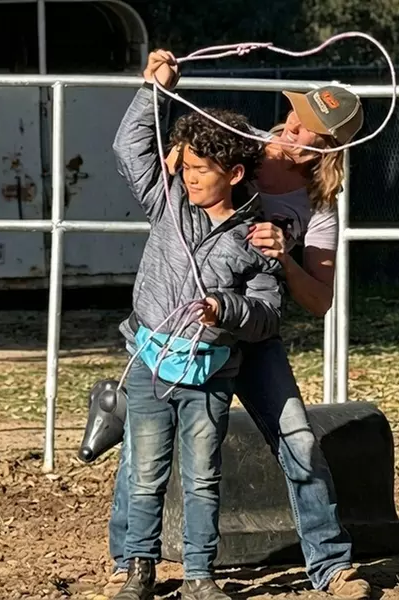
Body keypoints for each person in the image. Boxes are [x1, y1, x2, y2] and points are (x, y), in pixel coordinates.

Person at [105, 64, 373, 600]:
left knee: (296, 435)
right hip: (182, 326)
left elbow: (319, 299)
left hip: (248, 328)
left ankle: (331, 566)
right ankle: (128, 561)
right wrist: (159, 100)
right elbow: (168, 157)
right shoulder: (239, 146)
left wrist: (284, 259)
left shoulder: (318, 209)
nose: (288, 134)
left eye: (305, 134)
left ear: (330, 149)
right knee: (143, 449)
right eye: (291, 120)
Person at [109, 49, 285, 600]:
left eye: (200, 172)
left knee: (204, 475)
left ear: (233, 174)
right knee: (144, 472)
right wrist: (153, 91)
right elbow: (128, 147)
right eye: (184, 168)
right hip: (150, 363)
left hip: (209, 373)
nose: (187, 179)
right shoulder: (168, 204)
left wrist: (224, 310)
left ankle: (200, 575)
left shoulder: (256, 237)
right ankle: (138, 568)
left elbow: (267, 312)